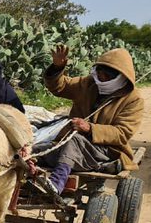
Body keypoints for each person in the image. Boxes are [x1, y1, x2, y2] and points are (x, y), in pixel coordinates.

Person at [38, 45, 144, 195]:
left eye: (105, 77)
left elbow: (122, 133)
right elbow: (59, 87)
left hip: (105, 150)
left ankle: (56, 183)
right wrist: (57, 67)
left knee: (75, 142)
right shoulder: (88, 83)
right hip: (71, 143)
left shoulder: (133, 99)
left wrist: (90, 128)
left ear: (120, 76)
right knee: (36, 150)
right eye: (99, 74)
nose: (100, 79)